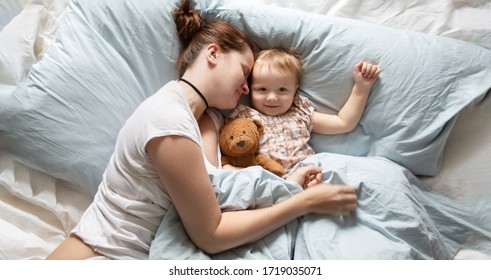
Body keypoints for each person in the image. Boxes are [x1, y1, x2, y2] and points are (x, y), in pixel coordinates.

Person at [46, 0, 357, 260]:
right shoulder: (169, 120)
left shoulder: (198, 118)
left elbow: (221, 194)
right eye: (244, 72)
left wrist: (288, 183)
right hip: (103, 254)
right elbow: (211, 234)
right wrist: (304, 203)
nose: (247, 87)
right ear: (213, 54)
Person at [225, 49, 381, 175]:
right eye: (262, 89)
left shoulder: (300, 114)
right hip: (266, 179)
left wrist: (361, 88)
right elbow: (227, 148)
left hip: (307, 175)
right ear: (249, 89)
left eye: (282, 90)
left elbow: (343, 123)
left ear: (295, 91)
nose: (272, 97)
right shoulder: (243, 116)